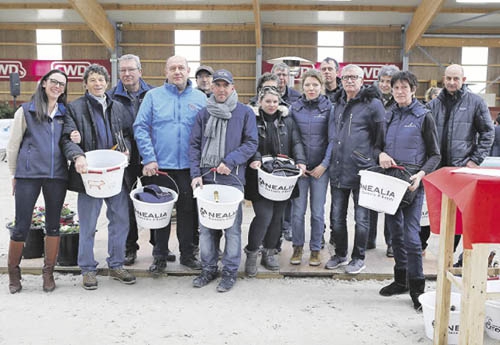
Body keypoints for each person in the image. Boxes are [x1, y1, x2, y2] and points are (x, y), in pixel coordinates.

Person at [61, 64, 136, 290]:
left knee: (120, 221)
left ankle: (116, 264)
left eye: (101, 80)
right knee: (88, 225)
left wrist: (127, 150)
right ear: (85, 84)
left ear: (107, 83)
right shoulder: (74, 108)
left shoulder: (118, 107)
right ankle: (87, 269)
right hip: (90, 176)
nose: (97, 84)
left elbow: (126, 135)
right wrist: (77, 156)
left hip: (115, 174)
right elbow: (67, 138)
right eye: (92, 80)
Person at [134, 56, 207, 275]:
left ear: (188, 71)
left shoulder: (200, 98)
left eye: (181, 68)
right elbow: (141, 127)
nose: (177, 72)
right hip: (159, 167)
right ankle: (160, 255)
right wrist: (149, 158)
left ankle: (187, 254)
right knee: (160, 213)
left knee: (187, 212)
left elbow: (206, 132)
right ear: (165, 71)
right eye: (172, 68)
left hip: (188, 167)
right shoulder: (153, 97)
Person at [189, 69, 258, 292]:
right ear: (212, 88)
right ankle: (208, 268)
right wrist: (195, 174)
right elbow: (194, 145)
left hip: (232, 179)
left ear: (232, 88)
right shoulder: (203, 114)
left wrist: (230, 161)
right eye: (217, 85)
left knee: (232, 229)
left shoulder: (245, 113)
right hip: (207, 179)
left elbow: (251, 143)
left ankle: (229, 271)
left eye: (224, 85)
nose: (220, 89)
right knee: (207, 227)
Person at [377, 71, 441, 311]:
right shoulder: (389, 115)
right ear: (391, 91)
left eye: (404, 87)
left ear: (413, 90)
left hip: (412, 183)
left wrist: (421, 175)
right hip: (390, 183)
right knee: (395, 234)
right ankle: (400, 280)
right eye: (396, 88)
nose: (400, 91)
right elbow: (377, 146)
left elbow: (435, 154)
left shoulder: (424, 117)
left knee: (412, 238)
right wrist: (381, 154)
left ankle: (417, 288)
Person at [6, 69, 69, 294]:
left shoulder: (65, 113)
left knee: (53, 225)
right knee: (21, 225)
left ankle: (48, 273)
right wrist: (14, 173)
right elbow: (13, 144)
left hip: (57, 176)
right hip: (28, 174)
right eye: (53, 82)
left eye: (62, 84)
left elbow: (69, 139)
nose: (57, 87)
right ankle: (13, 272)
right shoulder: (26, 110)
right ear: (43, 83)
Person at [428, 64, 494, 261]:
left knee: (461, 215)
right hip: (438, 169)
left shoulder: (475, 102)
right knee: (434, 213)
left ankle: (459, 257)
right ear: (443, 79)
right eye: (448, 78)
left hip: (462, 169)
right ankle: (428, 251)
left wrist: (474, 160)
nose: (451, 82)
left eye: (456, 79)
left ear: (463, 80)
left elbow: (487, 133)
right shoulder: (433, 105)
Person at [325, 64, 386, 275]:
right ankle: (340, 254)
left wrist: (372, 159)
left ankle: (358, 257)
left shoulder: (373, 104)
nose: (350, 81)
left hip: (363, 170)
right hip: (339, 169)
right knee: (336, 217)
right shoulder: (338, 103)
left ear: (362, 81)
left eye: (354, 77)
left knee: (361, 219)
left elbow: (380, 137)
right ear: (341, 80)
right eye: (346, 77)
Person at [244, 86, 306, 275]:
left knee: (278, 217)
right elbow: (248, 140)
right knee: (264, 216)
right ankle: (252, 253)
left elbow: (296, 142)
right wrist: (254, 158)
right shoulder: (252, 119)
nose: (271, 105)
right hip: (259, 175)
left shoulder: (287, 120)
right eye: (268, 101)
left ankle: (269, 253)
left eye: (275, 101)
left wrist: (301, 161)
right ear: (260, 102)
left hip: (283, 176)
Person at [107, 54, 154, 266]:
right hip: (124, 160)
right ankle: (129, 247)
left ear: (140, 71)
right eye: (123, 70)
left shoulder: (154, 93)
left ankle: (159, 247)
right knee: (126, 204)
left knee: (155, 201)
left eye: (131, 70)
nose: (126, 74)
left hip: (151, 157)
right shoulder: (110, 97)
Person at [289, 69, 333, 267]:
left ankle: (315, 249)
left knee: (317, 211)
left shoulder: (329, 108)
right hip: (300, 169)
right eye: (307, 85)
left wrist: (324, 164)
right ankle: (298, 246)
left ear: (321, 86)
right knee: (297, 212)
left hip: (320, 171)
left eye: (315, 85)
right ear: (302, 86)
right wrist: (298, 163)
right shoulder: (294, 108)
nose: (311, 88)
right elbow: (292, 138)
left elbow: (333, 139)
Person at [367, 64, 400, 258]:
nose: (386, 85)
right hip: (372, 154)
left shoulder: (401, 102)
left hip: (393, 156)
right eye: (383, 81)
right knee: (371, 199)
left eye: (390, 82)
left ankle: (391, 243)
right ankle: (369, 239)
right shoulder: (370, 100)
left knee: (390, 202)